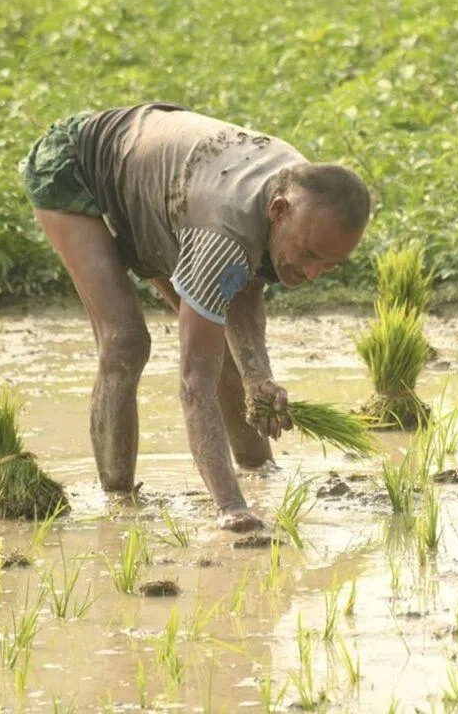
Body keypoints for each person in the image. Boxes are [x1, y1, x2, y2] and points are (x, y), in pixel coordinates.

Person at [20, 102, 371, 531]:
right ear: (277, 212)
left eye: (330, 266)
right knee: (126, 341)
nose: (313, 275)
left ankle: (260, 471)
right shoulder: (224, 232)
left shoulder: (303, 193)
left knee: (224, 353)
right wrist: (230, 508)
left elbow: (245, 284)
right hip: (81, 166)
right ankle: (119, 501)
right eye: (308, 255)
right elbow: (194, 385)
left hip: (168, 194)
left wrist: (258, 376)